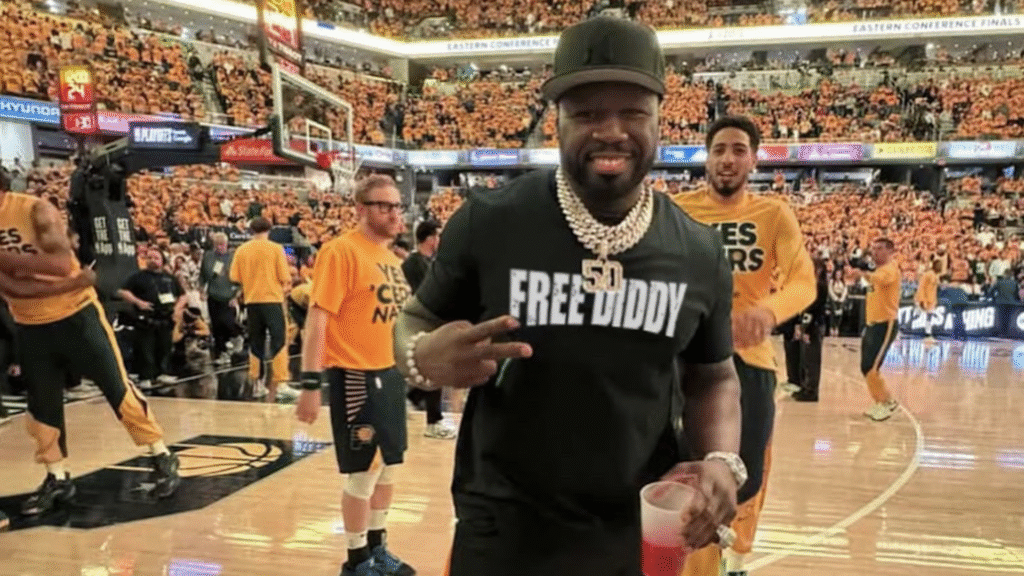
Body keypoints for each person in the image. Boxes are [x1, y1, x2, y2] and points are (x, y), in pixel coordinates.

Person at [393, 17, 745, 576]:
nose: (610, 131)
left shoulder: (698, 251)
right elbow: (414, 322)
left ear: (660, 117)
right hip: (502, 529)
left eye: (632, 112)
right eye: (587, 113)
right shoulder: (490, 221)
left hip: (635, 529)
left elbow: (713, 375)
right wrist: (422, 360)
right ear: (555, 122)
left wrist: (723, 459)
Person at [674, 114, 816, 576]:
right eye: (719, 150)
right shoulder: (676, 210)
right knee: (684, 470)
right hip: (685, 359)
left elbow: (803, 282)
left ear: (754, 159)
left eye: (738, 149)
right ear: (707, 159)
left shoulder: (774, 214)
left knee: (745, 475)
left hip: (748, 361)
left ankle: (734, 553)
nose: (728, 158)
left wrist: (768, 311)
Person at [0, 173, 179, 516]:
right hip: (30, 324)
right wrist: (67, 282)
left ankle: (161, 455)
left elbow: (57, 263)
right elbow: (16, 290)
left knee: (117, 388)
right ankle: (57, 477)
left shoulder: (36, 210)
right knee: (42, 406)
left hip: (77, 315)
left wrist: (63, 282)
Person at [296, 174, 415, 576]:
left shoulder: (393, 260)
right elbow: (318, 318)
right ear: (361, 209)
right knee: (363, 473)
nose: (394, 213)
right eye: (384, 205)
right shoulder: (340, 251)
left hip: (390, 374)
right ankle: (356, 559)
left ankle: (378, 546)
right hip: (356, 378)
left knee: (389, 468)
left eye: (397, 205)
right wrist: (310, 383)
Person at [401, 220, 454, 439]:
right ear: (430, 238)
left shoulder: (428, 262)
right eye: (438, 235)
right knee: (434, 369)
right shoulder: (413, 263)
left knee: (434, 370)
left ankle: (412, 399)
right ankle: (433, 421)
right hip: (419, 323)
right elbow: (425, 294)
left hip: (431, 322)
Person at [230, 217, 293, 402]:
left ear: (251, 230)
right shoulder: (275, 248)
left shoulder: (241, 250)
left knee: (255, 341)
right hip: (272, 299)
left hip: (251, 301)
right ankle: (281, 383)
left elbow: (234, 276)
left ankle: (256, 382)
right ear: (269, 229)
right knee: (279, 340)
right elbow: (284, 276)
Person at [118, 250, 188, 391]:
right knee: (145, 348)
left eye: (156, 257)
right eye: (149, 257)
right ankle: (145, 377)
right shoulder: (137, 277)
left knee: (165, 346)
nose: (152, 260)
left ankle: (162, 372)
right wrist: (138, 302)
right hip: (146, 317)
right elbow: (122, 291)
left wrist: (177, 309)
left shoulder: (170, 278)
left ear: (162, 260)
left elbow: (183, 295)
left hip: (166, 317)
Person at [853, 238, 901, 421]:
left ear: (890, 251)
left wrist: (862, 275)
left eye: (880, 249)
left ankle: (888, 402)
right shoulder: (879, 270)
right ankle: (879, 401)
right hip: (873, 323)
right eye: (873, 248)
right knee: (866, 366)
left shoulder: (891, 269)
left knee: (872, 366)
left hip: (885, 323)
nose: (875, 252)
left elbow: (878, 279)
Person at [199, 232, 239, 363]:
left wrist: (237, 296)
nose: (220, 247)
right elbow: (203, 275)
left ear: (227, 244)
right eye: (217, 245)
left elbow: (242, 279)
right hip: (213, 295)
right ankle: (221, 352)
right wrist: (201, 290)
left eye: (222, 244)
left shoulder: (233, 257)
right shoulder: (208, 256)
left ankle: (235, 338)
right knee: (216, 325)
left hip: (229, 296)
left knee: (227, 323)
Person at [793, 258, 828, 402]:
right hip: (809, 324)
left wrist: (805, 328)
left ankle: (812, 391)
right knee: (805, 358)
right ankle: (805, 386)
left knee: (812, 359)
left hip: (814, 325)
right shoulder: (810, 284)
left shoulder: (819, 285)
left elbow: (813, 309)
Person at [914, 259, 940, 342]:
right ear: (934, 265)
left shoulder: (935, 275)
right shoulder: (928, 274)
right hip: (926, 300)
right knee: (923, 317)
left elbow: (934, 290)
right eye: (939, 265)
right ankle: (927, 334)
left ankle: (928, 334)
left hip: (931, 300)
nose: (940, 267)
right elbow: (921, 287)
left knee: (929, 318)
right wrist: (922, 300)